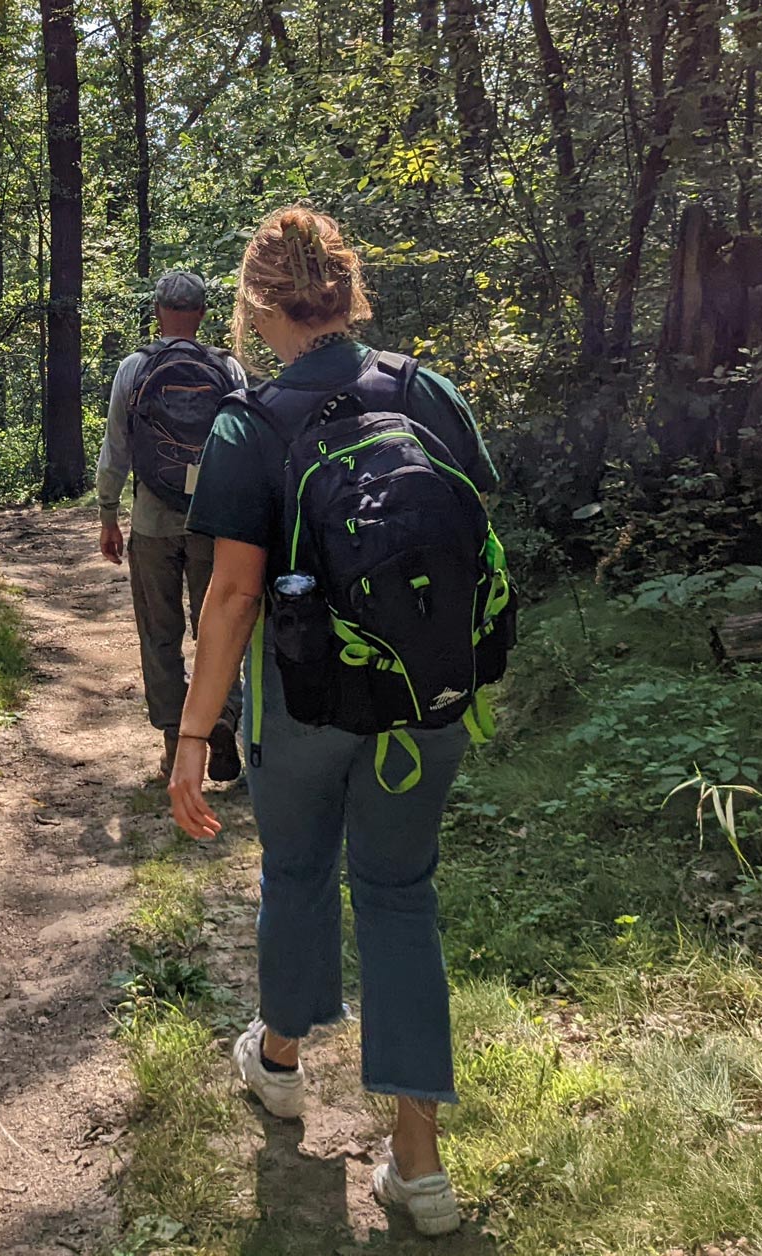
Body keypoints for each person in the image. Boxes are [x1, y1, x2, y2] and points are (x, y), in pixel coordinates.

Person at [168, 207, 500, 1237]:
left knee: (297, 872)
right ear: (346, 294)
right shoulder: (421, 389)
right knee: (399, 896)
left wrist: (190, 734)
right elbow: (472, 524)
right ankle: (417, 1164)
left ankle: (278, 1059)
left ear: (256, 302)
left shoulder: (248, 421)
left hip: (300, 702)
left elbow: (230, 597)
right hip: (425, 701)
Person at [96, 270, 247, 780]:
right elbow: (249, 447)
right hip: (216, 522)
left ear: (158, 312)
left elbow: (116, 447)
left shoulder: (134, 369)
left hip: (153, 522)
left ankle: (171, 740)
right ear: (202, 313)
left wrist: (107, 515)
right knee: (220, 631)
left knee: (160, 635)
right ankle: (223, 719)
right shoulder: (228, 369)